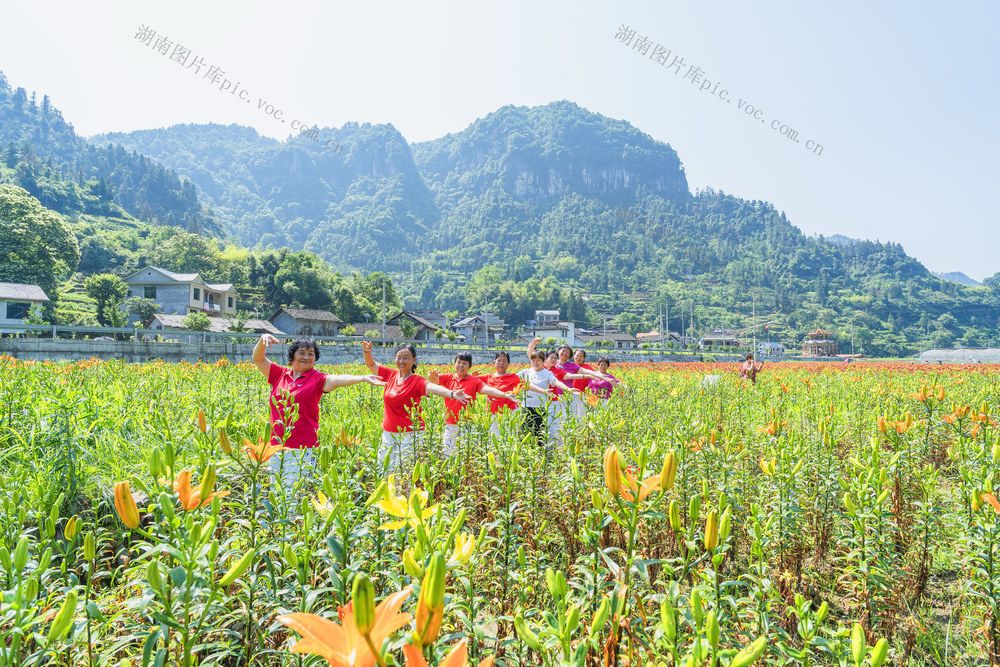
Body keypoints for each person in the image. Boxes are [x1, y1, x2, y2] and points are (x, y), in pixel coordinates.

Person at [252, 334, 385, 488]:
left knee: (294, 494)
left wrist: (361, 378)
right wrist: (262, 340)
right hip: (275, 446)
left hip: (301, 449)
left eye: (311, 354)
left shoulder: (317, 379)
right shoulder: (280, 375)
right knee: (277, 490)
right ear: (292, 356)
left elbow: (336, 380)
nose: (306, 357)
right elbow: (258, 359)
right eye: (301, 353)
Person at [362, 340, 469, 475]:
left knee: (404, 471)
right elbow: (371, 364)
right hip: (388, 432)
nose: (401, 361)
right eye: (399, 357)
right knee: (383, 469)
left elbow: (430, 387)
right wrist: (367, 352)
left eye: (405, 357)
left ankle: (405, 495)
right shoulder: (391, 375)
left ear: (414, 359)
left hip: (410, 433)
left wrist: (451, 393)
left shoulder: (417, 380)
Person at [427, 352, 520, 456]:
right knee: (447, 452)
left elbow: (486, 389)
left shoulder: (474, 380)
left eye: (465, 363)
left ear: (470, 366)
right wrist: (431, 376)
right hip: (450, 422)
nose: (461, 365)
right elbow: (434, 380)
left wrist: (504, 395)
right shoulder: (448, 377)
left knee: (464, 453)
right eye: (459, 362)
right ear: (454, 364)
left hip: (467, 423)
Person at [517, 351, 574, 448]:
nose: (535, 362)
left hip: (540, 409)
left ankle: (539, 455)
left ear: (543, 361)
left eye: (538, 360)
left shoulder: (547, 373)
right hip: (526, 407)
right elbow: (512, 378)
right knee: (525, 433)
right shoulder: (526, 372)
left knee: (539, 434)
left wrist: (567, 389)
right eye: (533, 360)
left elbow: (556, 382)